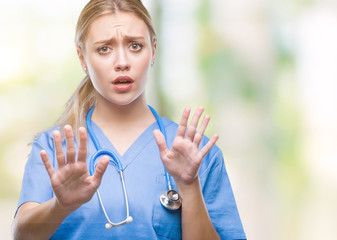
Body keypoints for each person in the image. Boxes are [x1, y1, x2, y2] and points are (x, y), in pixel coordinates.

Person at [12, 0, 247, 239]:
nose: (122, 62)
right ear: (82, 58)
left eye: (135, 46)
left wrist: (189, 186)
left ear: (153, 50)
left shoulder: (196, 154)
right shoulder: (53, 149)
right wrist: (60, 206)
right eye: (104, 48)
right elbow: (21, 235)